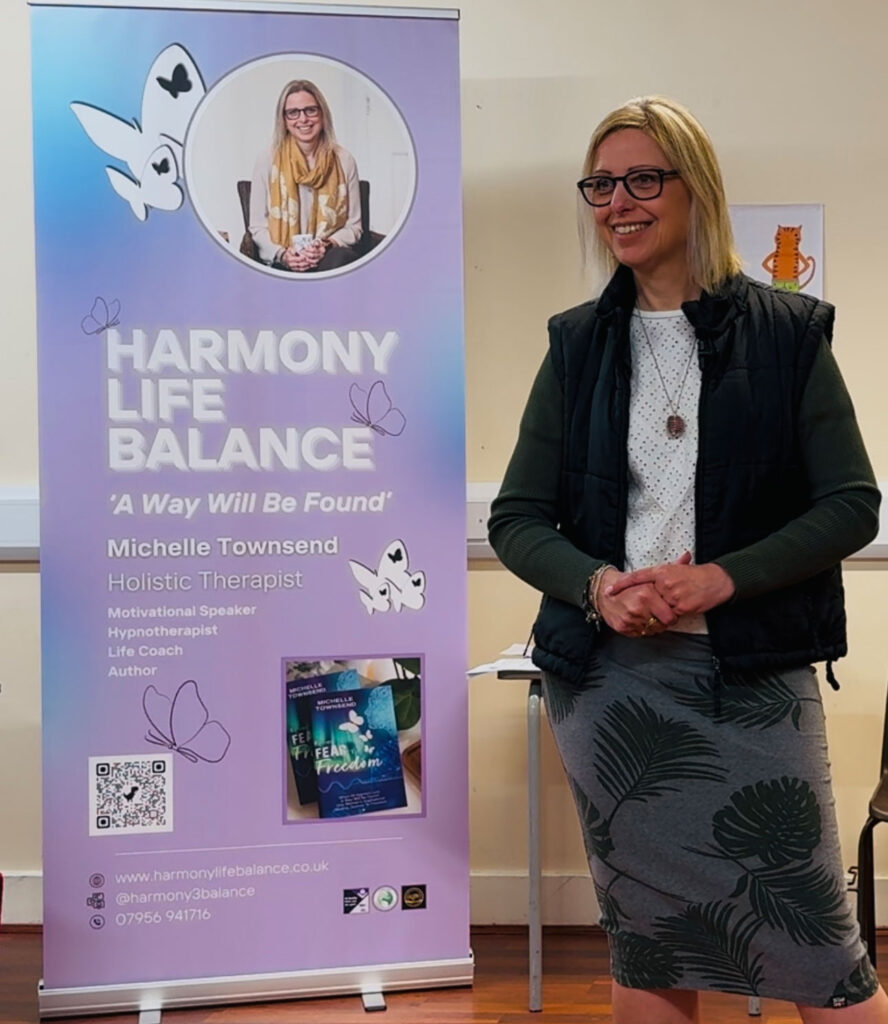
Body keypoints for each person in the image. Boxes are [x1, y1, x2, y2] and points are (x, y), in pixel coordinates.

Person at [488, 95, 886, 1024]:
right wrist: (594, 585)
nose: (617, 202)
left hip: (751, 682)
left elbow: (852, 504)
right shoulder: (576, 344)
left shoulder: (788, 334)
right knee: (650, 946)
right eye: (600, 183)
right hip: (614, 690)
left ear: (695, 189)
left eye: (641, 179)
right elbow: (516, 518)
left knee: (823, 957)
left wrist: (720, 576)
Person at [249, 79, 363, 273]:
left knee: (341, 259)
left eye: (311, 110)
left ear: (322, 114)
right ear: (284, 120)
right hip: (282, 259)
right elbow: (257, 227)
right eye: (293, 112)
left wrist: (325, 245)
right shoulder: (267, 159)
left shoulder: (344, 160)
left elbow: (354, 227)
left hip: (329, 260)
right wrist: (283, 255)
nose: (303, 119)